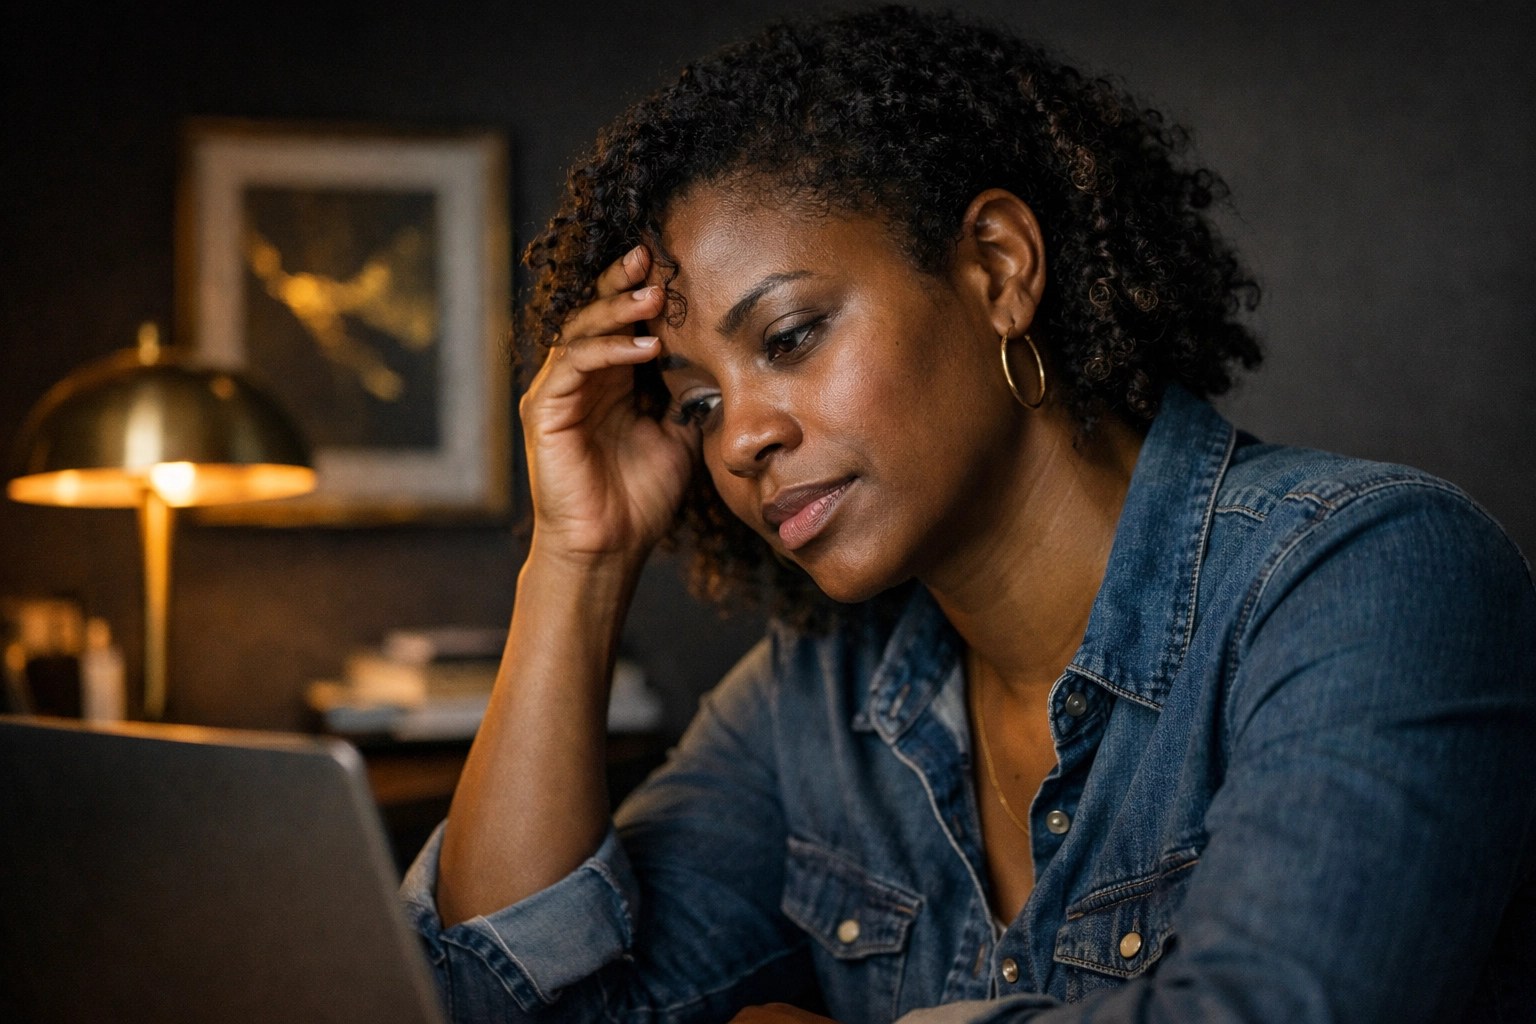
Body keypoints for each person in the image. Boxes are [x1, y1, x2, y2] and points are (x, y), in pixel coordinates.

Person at [399, 8, 1536, 1023]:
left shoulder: (1368, 575)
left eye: (789, 337)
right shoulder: (820, 694)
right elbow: (501, 1004)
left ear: (997, 268)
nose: (739, 440)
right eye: (696, 405)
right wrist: (578, 558)